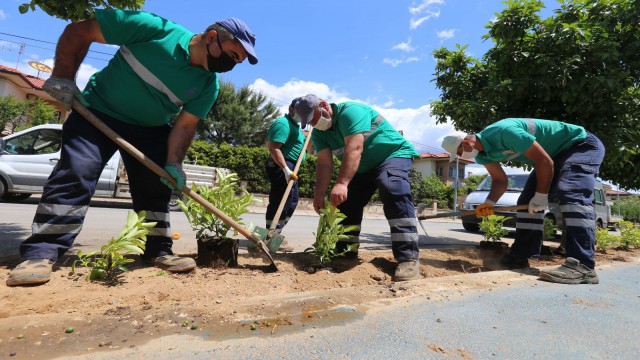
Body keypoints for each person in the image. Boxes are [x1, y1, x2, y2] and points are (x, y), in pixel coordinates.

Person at [6, 9, 258, 286]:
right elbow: (80, 30)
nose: (232, 65)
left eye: (240, 62)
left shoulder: (208, 85)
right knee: (77, 173)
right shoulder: (154, 29)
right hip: (97, 113)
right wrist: (63, 76)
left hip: (150, 130)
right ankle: (41, 253)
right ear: (212, 37)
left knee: (156, 188)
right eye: (233, 56)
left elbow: (185, 126)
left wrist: (173, 163)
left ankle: (158, 251)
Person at [441, 118, 605, 284]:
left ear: (465, 143)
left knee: (571, 192)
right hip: (554, 156)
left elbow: (544, 162)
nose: (461, 157)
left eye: (459, 152)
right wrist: (489, 203)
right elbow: (500, 181)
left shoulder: (503, 132)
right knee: (526, 201)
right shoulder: (482, 156)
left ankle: (583, 265)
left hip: (580, 145)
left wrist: (541, 196)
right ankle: (520, 256)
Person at [294, 94, 421, 281]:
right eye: (309, 122)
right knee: (345, 202)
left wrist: (342, 183)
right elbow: (324, 163)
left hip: (391, 155)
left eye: (314, 117)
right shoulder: (320, 133)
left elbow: (355, 148)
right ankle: (346, 252)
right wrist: (319, 194)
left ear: (324, 105)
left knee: (392, 187)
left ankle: (408, 259)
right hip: (362, 167)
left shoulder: (351, 112)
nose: (313, 123)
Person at [262, 98, 306, 253]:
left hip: (290, 166)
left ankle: (275, 232)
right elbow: (274, 147)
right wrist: (286, 169)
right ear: (291, 109)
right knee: (281, 201)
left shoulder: (296, 126)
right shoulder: (283, 124)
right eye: (301, 113)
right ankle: (270, 235)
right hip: (282, 166)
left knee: (292, 201)